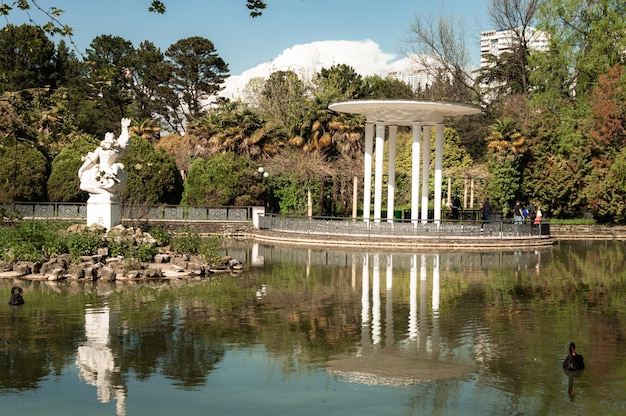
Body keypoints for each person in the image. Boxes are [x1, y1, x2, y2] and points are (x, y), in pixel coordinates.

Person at [78, 118, 131, 198]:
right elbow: (124, 141)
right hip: (107, 173)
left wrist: (82, 170)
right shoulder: (115, 150)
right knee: (84, 185)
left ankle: (104, 193)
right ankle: (105, 193)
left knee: (84, 185)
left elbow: (91, 160)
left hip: (107, 173)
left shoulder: (113, 150)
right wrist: (124, 128)